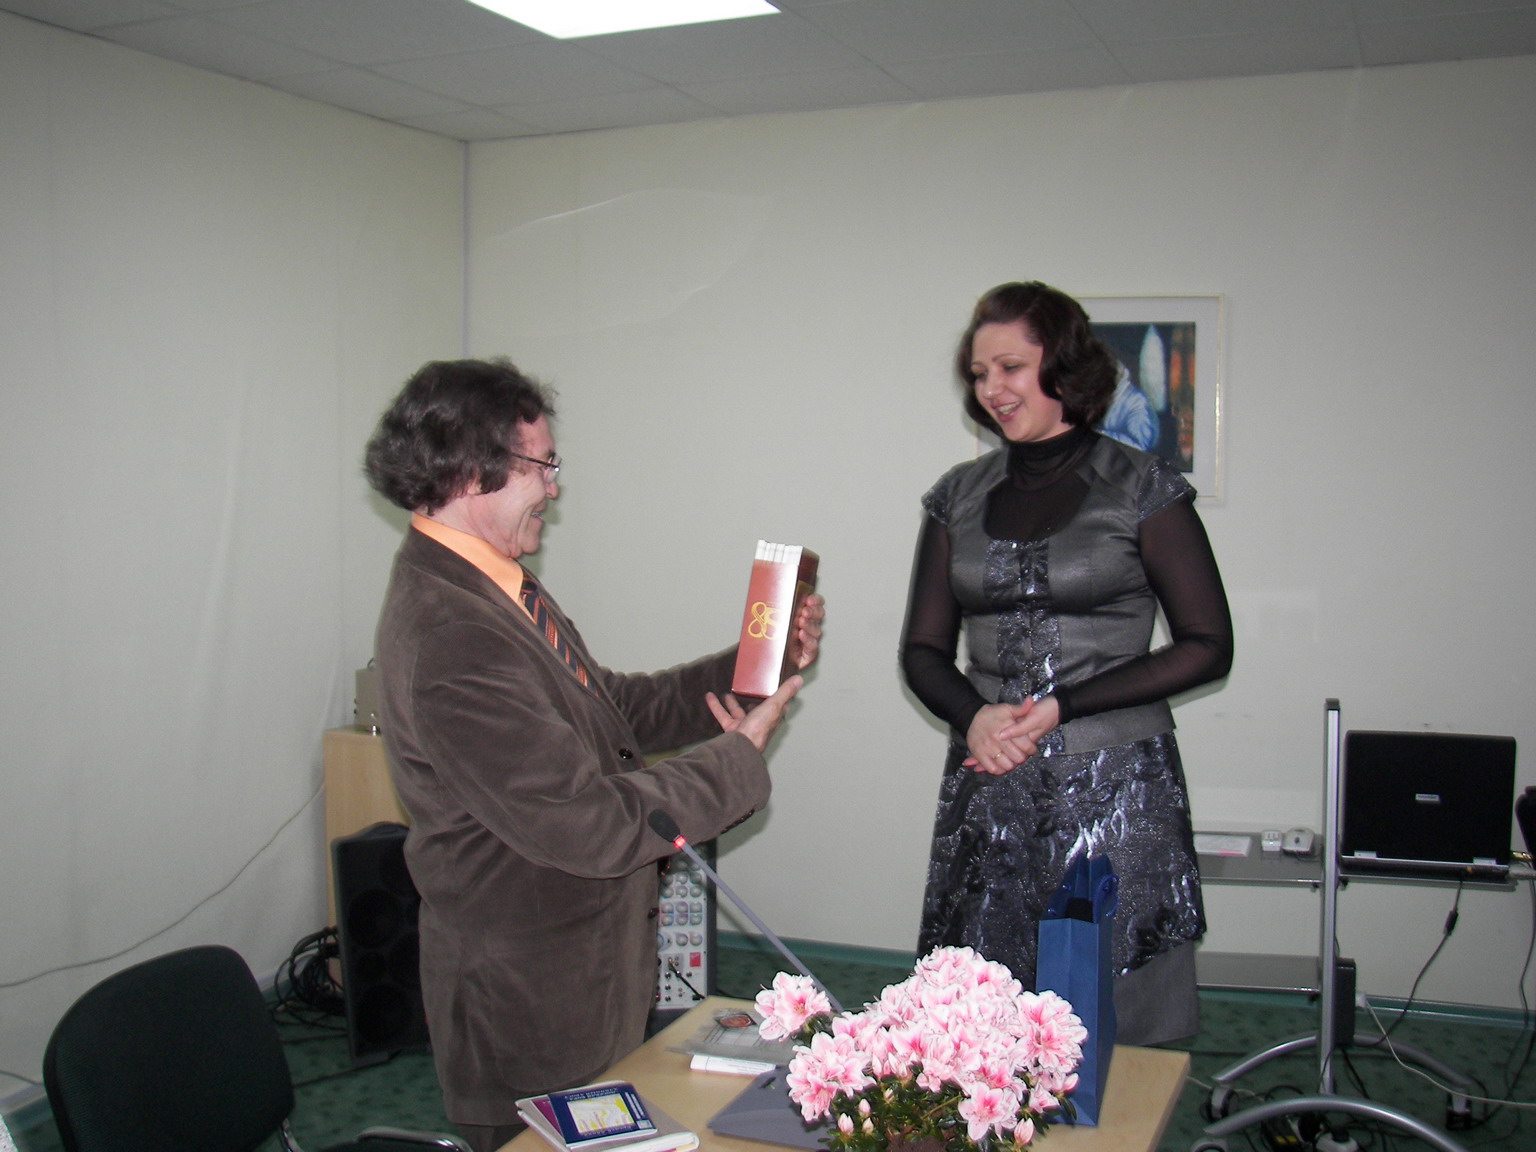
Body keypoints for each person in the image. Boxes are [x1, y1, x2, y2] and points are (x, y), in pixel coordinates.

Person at [364, 357, 822, 1152]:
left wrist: (754, 667)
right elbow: (584, 822)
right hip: (529, 1007)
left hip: (579, 980)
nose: (554, 485)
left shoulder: (494, 584)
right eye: (542, 465)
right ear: (472, 470)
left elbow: (613, 709)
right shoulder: (451, 631)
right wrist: (735, 760)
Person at [900, 282, 1232, 1045]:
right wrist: (973, 717)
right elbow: (921, 650)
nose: (992, 388)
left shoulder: (1144, 489)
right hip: (991, 784)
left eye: (1010, 367)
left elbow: (1209, 645)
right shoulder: (957, 496)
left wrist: (1063, 705)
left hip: (1115, 788)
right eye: (979, 373)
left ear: (1065, 367)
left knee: (1118, 1014)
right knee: (983, 1027)